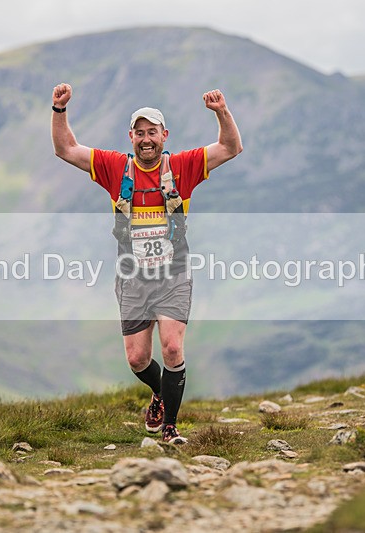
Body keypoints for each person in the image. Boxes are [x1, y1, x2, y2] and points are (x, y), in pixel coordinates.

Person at [51, 82, 242, 444]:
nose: (146, 139)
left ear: (164, 135)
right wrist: (59, 110)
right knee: (138, 359)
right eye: (139, 133)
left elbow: (231, 147)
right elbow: (66, 149)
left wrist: (221, 112)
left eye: (152, 132)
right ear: (131, 137)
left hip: (174, 274)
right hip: (132, 277)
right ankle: (159, 393)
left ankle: (169, 427)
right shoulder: (113, 168)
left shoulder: (184, 166)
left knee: (171, 348)